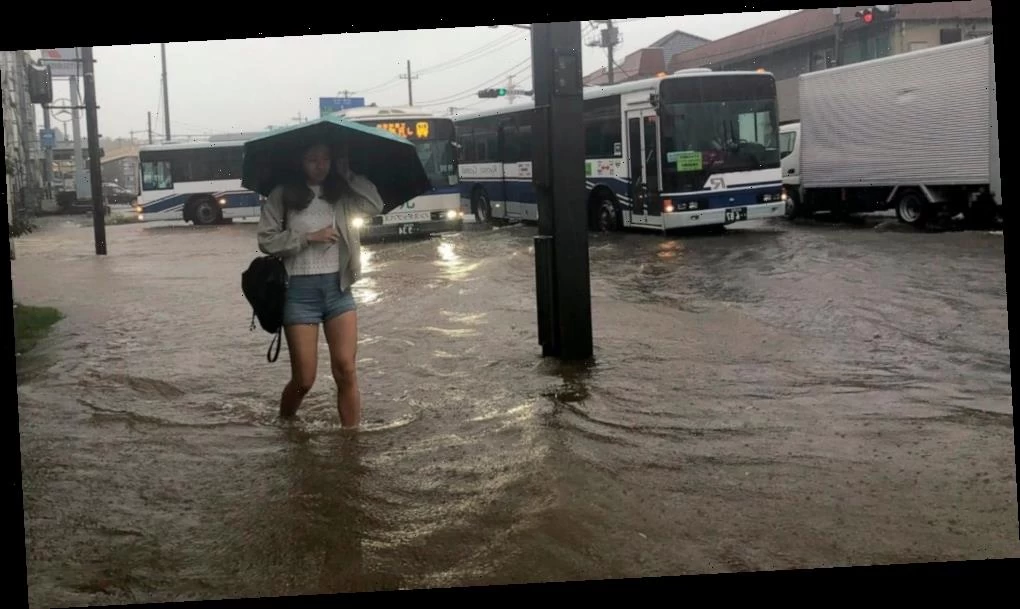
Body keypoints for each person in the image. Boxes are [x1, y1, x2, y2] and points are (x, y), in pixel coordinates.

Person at [256, 141, 384, 428]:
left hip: (338, 290)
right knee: (304, 379)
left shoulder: (341, 195)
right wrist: (307, 237)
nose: (320, 165)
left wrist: (348, 174)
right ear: (300, 161)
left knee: (346, 369)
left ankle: (351, 440)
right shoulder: (283, 195)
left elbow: (376, 205)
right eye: (313, 159)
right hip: (298, 295)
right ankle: (286, 422)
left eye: (325, 159)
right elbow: (265, 240)